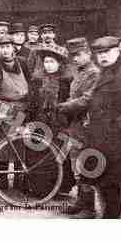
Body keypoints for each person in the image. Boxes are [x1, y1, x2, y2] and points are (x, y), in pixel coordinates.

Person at [57, 38, 100, 218]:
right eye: (72, 55)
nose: (75, 58)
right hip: (75, 125)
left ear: (88, 53)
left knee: (85, 164)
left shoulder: (94, 73)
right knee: (76, 164)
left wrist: (65, 106)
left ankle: (89, 208)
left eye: (78, 55)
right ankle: (81, 202)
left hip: (86, 124)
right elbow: (75, 95)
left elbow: (87, 99)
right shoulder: (80, 72)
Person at [86, 36, 121, 218]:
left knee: (114, 186)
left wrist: (118, 127)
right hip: (100, 138)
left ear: (118, 50)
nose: (103, 56)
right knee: (102, 184)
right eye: (99, 53)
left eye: (107, 52)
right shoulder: (103, 72)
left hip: (118, 141)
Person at [27, 44, 74, 198]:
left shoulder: (66, 81)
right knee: (38, 154)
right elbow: (31, 102)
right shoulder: (36, 80)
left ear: (59, 64)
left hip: (59, 123)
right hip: (39, 121)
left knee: (58, 155)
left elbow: (69, 102)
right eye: (46, 62)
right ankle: (39, 189)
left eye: (52, 62)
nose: (48, 65)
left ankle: (59, 188)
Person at [0, 35, 31, 190]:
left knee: (19, 142)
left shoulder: (24, 63)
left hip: (20, 108)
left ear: (14, 47)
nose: (5, 50)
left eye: (8, 46)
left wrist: (28, 106)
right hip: (2, 108)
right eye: (2, 47)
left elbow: (30, 83)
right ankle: (3, 179)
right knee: (0, 142)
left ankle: (20, 179)